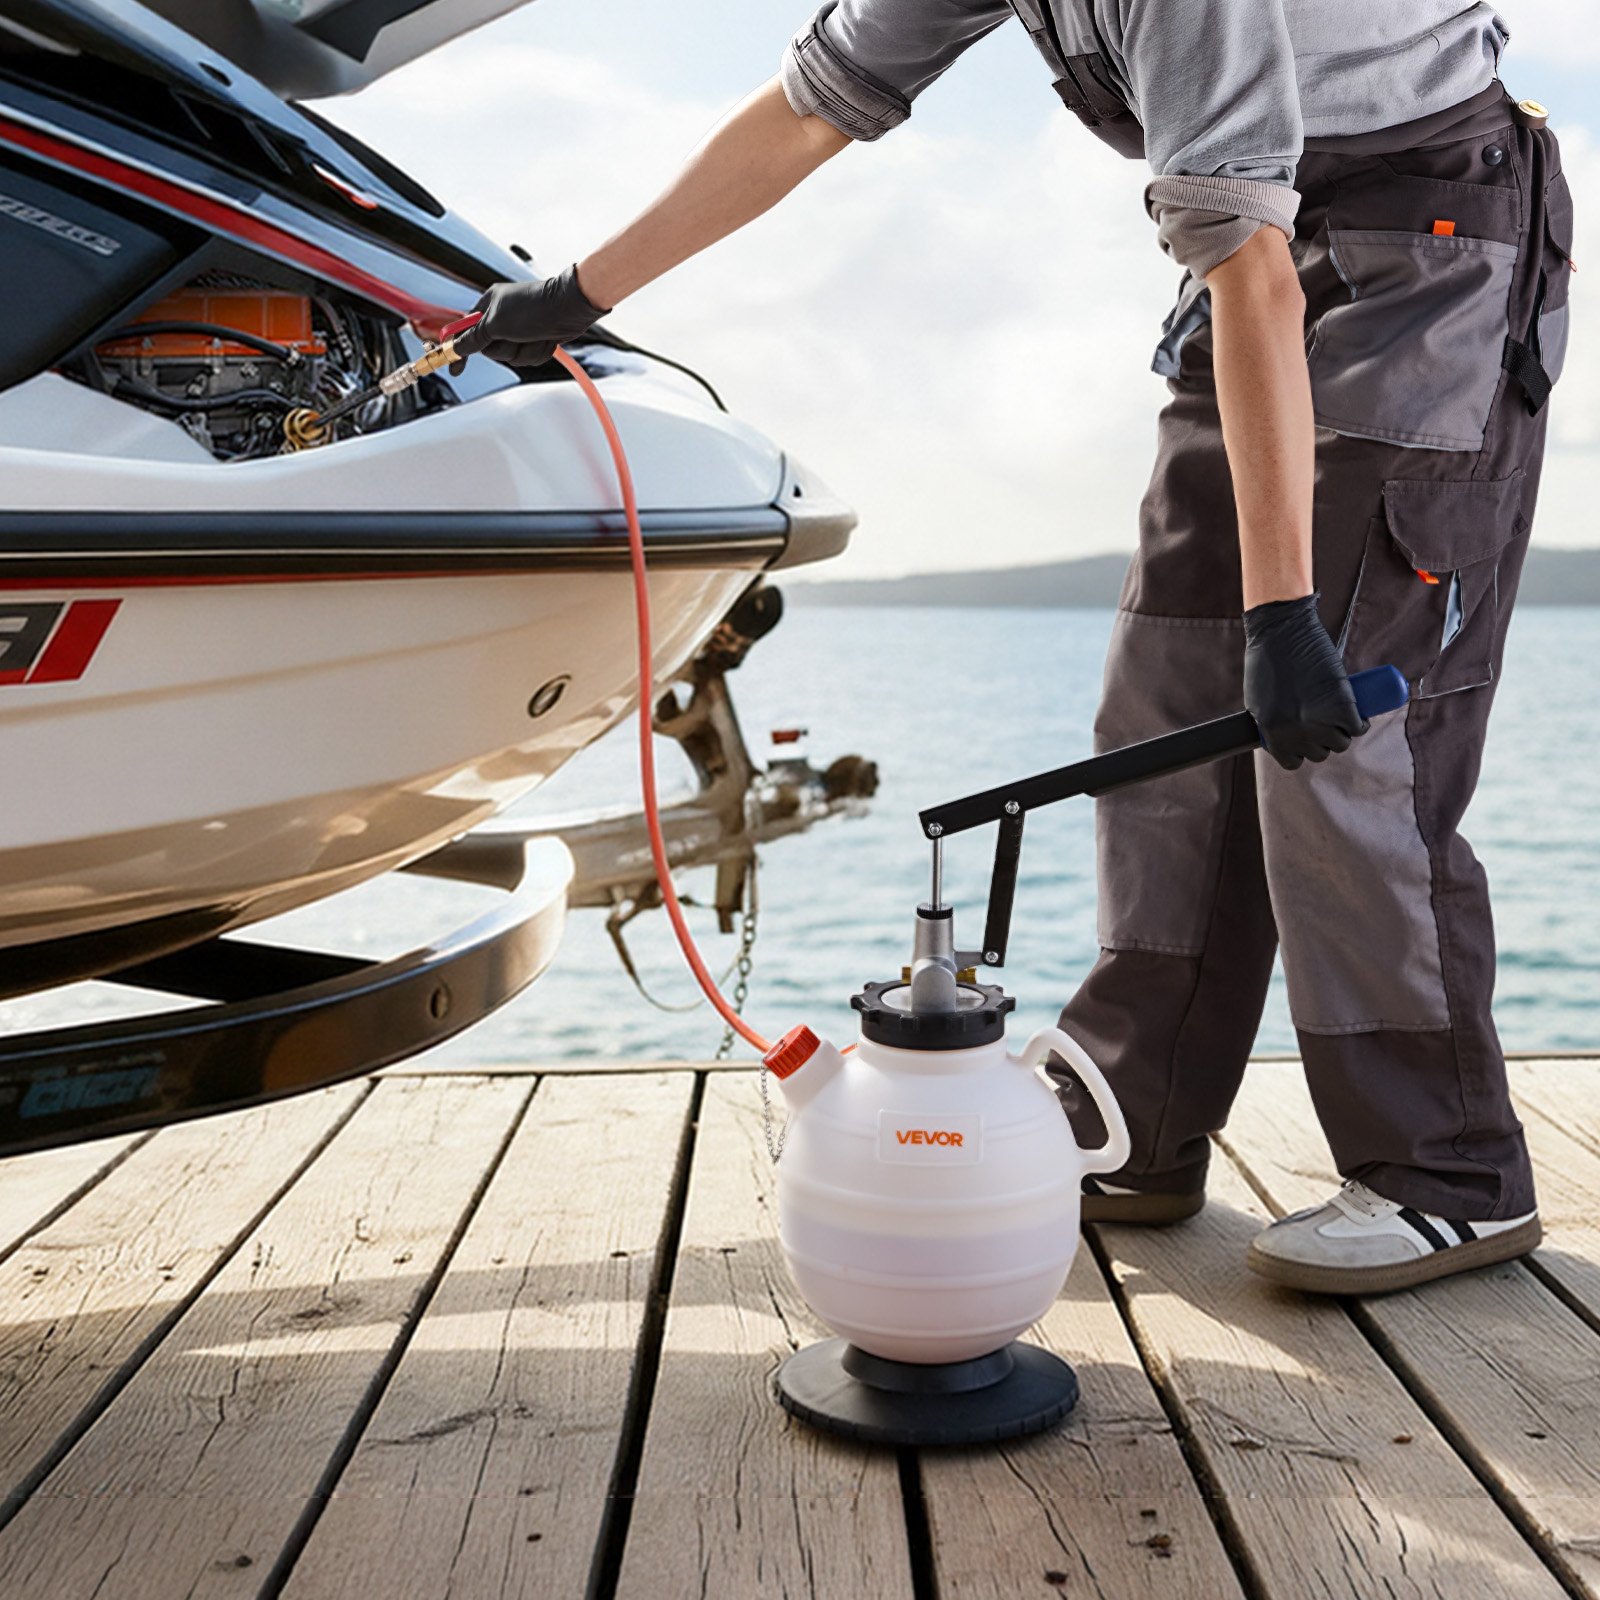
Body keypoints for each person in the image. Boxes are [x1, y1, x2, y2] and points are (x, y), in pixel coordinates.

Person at [459, 1, 1572, 1295]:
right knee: (1164, 697)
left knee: (1347, 739)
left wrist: (1282, 617)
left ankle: (1448, 1174)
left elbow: (1250, 269)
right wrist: (575, 296)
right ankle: (1137, 1124)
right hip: (1261, 250)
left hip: (1433, 241)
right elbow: (811, 105)